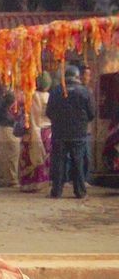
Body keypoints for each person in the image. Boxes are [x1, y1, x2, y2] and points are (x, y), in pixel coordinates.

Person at [46, 64, 96, 198]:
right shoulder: (85, 92)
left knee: (59, 162)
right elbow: (92, 113)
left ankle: (56, 191)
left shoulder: (55, 91)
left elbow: (49, 112)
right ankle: (80, 191)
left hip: (59, 133)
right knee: (78, 162)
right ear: (77, 77)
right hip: (79, 133)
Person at [19, 72, 51, 190]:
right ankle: (42, 183)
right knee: (44, 158)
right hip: (47, 132)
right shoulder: (49, 96)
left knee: (30, 158)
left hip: (35, 130)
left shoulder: (34, 96)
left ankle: (30, 184)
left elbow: (34, 118)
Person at [0, 83, 22, 188]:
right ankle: (11, 180)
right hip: (8, 127)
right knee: (13, 154)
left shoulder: (0, 93)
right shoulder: (9, 93)